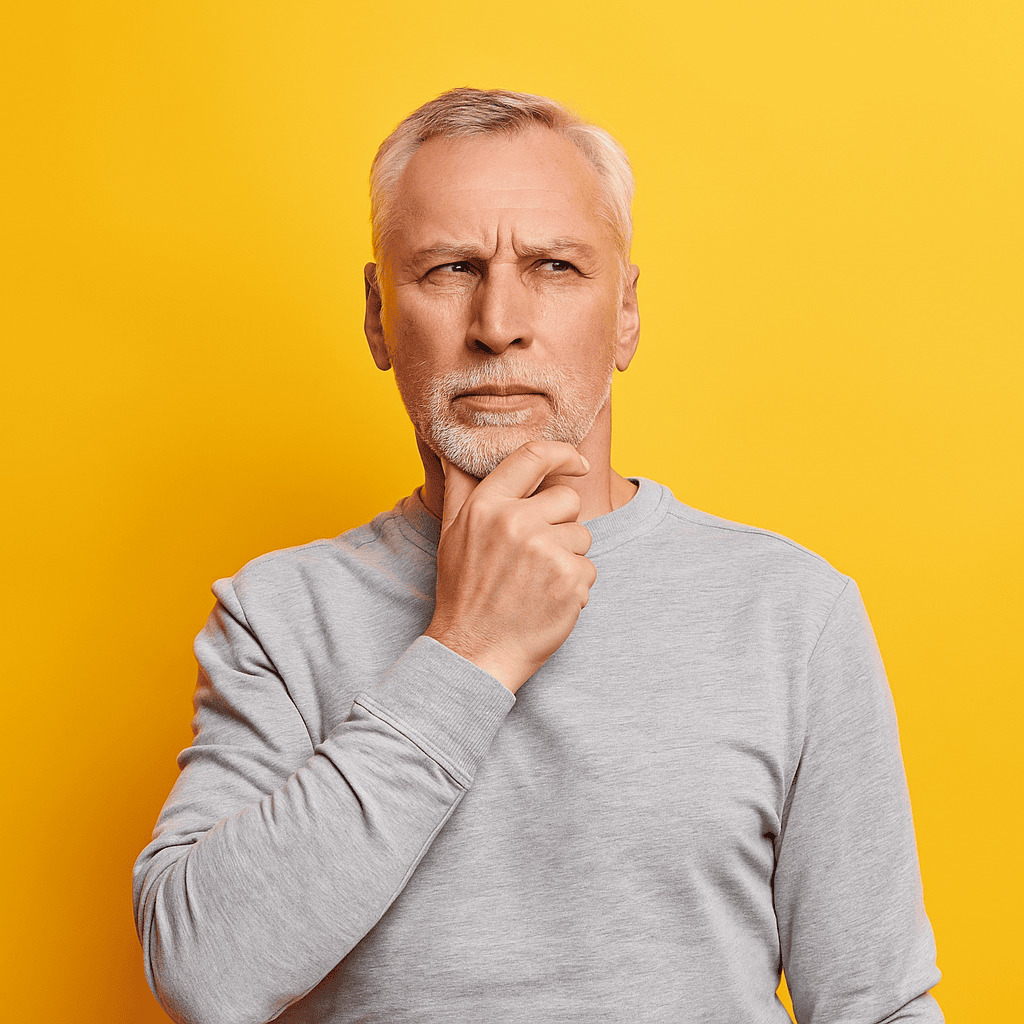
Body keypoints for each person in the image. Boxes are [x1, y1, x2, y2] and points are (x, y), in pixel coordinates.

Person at [132, 87, 942, 1024]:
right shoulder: (278, 616)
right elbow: (201, 975)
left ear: (627, 315)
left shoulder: (790, 613)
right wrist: (468, 651)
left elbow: (877, 1003)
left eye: (555, 266)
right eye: (449, 268)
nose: (500, 321)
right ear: (375, 316)